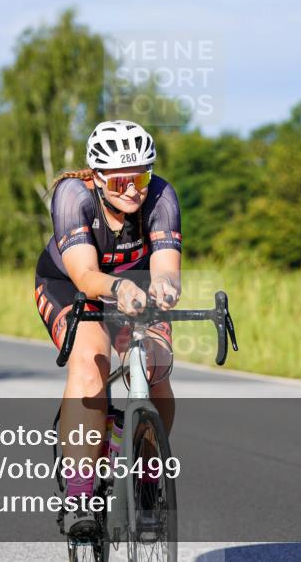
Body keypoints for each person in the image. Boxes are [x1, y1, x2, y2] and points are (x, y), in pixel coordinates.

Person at [34, 120, 182, 537]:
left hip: (134, 286)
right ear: (98, 177)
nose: (134, 188)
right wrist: (117, 288)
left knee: (156, 368)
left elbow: (168, 270)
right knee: (89, 362)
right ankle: (80, 494)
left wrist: (165, 290)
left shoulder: (162, 196)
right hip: (74, 286)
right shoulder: (72, 196)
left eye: (141, 175)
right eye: (121, 180)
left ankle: (150, 478)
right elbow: (84, 275)